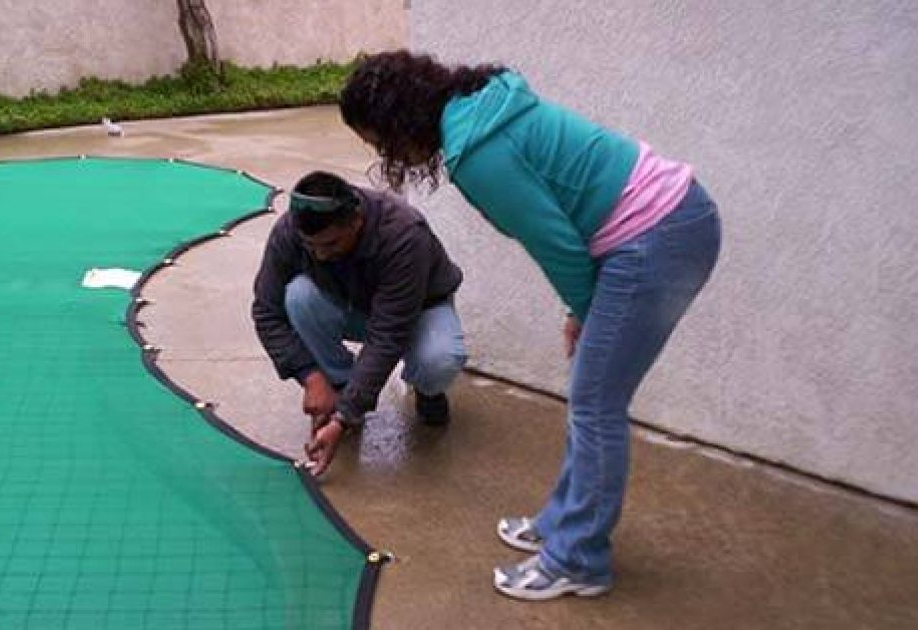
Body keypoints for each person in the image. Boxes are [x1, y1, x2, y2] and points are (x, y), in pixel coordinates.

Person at [340, 50, 722, 600]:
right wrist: (582, 310)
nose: (385, 154)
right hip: (658, 229)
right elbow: (571, 224)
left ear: (399, 119)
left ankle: (579, 559)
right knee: (589, 395)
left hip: (659, 237)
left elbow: (558, 243)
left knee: (596, 403)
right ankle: (562, 525)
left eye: (380, 141)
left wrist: (585, 312)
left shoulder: (477, 150)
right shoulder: (479, 108)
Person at [252, 170, 468, 476]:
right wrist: (311, 377)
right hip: (351, 303)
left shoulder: (404, 234)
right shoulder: (290, 229)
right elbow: (266, 311)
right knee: (298, 296)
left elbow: (388, 334)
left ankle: (427, 390)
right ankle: (339, 383)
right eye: (311, 247)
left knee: (438, 360)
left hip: (418, 310)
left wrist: (344, 418)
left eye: (330, 244)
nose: (320, 255)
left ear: (356, 220)